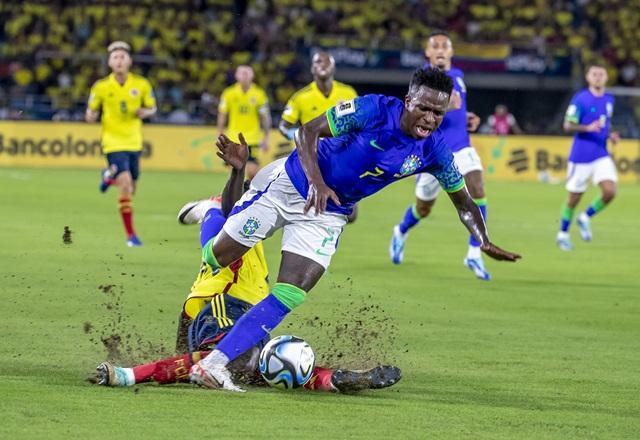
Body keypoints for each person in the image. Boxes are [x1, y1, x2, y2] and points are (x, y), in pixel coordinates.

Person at [188, 67, 521, 392]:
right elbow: (306, 132)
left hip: (330, 212)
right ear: (408, 100)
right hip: (290, 183)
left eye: (438, 112)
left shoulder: (435, 150)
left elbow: (463, 202)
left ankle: (214, 364)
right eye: (424, 108)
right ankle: (212, 211)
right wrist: (317, 182)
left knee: (292, 291)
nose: (430, 119)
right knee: (216, 258)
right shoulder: (373, 109)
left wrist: (483, 240)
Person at [96, 138, 401, 393]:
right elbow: (232, 213)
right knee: (243, 360)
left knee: (259, 367)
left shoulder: (267, 217)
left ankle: (331, 379)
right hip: (225, 303)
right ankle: (209, 211)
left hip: (242, 309)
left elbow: (187, 322)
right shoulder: (251, 224)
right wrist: (237, 172)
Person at [389, 32, 492, 280]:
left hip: (461, 146)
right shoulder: (423, 80)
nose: (440, 49)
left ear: (451, 52)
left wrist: (467, 117)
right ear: (427, 53)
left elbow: (457, 110)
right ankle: (401, 231)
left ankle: (474, 253)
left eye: (445, 45)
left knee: (477, 189)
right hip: (432, 150)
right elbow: (414, 113)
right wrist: (446, 106)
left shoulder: (458, 76)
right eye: (435, 45)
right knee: (423, 208)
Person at [85, 41, 157, 247]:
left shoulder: (142, 84)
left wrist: (145, 112)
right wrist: (90, 115)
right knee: (125, 185)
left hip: (134, 141)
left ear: (129, 61)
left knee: (131, 187)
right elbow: (90, 112)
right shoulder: (100, 87)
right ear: (109, 62)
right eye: (115, 57)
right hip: (112, 142)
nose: (119, 60)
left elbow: (153, 108)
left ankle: (108, 177)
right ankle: (131, 236)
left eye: (122, 57)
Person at [278, 51, 359, 222]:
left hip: (342, 158)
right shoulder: (301, 97)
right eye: (318, 62)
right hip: (313, 159)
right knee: (312, 210)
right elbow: (283, 126)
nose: (322, 65)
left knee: (350, 215)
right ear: (312, 68)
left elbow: (360, 124)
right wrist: (299, 137)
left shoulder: (348, 93)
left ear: (334, 67)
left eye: (327, 62)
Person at [556, 64, 620, 251]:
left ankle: (585, 217)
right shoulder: (580, 99)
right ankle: (563, 233)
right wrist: (587, 128)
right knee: (574, 198)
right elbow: (567, 125)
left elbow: (604, 124)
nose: (598, 77)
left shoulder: (609, 99)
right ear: (588, 77)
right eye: (595, 74)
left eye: (601, 74)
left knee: (610, 191)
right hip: (581, 156)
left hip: (601, 153)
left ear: (607, 77)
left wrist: (611, 135)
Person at [217, 65, 271, 181]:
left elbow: (265, 117)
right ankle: (232, 197)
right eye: (242, 73)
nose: (245, 75)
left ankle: (252, 196)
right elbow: (222, 114)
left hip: (252, 139)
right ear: (236, 76)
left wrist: (266, 137)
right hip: (233, 138)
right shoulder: (229, 93)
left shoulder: (259, 94)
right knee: (233, 171)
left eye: (248, 73)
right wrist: (220, 132)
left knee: (253, 173)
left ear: (252, 76)